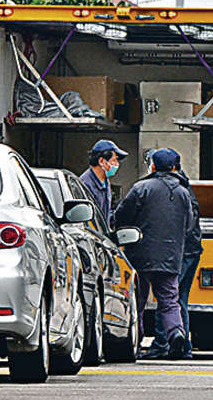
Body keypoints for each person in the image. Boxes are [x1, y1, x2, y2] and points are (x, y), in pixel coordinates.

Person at [114, 148, 193, 359]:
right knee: (169, 299)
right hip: (171, 256)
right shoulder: (184, 193)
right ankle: (176, 333)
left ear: (154, 166)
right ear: (174, 168)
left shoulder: (141, 188)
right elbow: (189, 225)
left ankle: (135, 343)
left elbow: (122, 215)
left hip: (140, 255)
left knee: (137, 301)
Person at [143, 149, 203, 359]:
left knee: (168, 297)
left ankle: (164, 343)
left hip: (180, 251)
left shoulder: (173, 189)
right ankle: (182, 344)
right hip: (191, 249)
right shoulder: (184, 187)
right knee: (178, 299)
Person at [80, 139, 127, 226]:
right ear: (101, 161)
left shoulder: (105, 181)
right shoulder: (85, 184)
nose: (117, 164)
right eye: (114, 160)